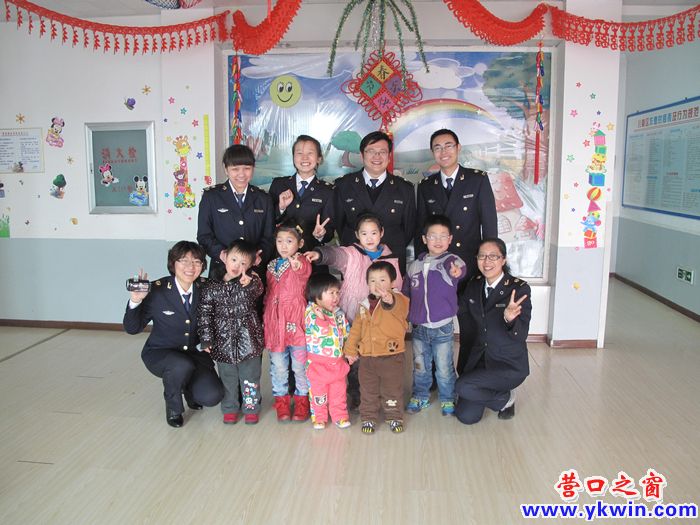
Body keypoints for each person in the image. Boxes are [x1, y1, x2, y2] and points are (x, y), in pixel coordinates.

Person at [416, 129, 498, 374]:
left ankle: (467, 375)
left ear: (458, 148)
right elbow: (421, 230)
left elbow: (489, 226)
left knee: (470, 323)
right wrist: (422, 266)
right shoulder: (426, 185)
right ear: (432, 152)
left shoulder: (477, 180)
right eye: (438, 147)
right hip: (435, 268)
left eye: (448, 145)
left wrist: (489, 265)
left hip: (468, 266)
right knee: (432, 323)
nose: (444, 151)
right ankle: (434, 376)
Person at [305, 213, 402, 410]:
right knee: (352, 358)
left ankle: (374, 396)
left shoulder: (390, 258)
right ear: (357, 235)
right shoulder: (352, 253)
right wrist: (320, 255)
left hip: (377, 321)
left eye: (373, 233)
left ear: (381, 233)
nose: (369, 238)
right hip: (351, 317)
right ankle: (353, 395)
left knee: (373, 360)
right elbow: (336, 255)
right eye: (364, 233)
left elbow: (397, 287)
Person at [123, 241, 224, 428]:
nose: (190, 267)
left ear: (203, 265)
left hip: (194, 354)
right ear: (173, 263)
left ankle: (188, 389)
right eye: (183, 261)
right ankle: (173, 408)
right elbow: (132, 328)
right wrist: (136, 300)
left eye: (196, 262)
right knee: (180, 365)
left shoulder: (207, 288)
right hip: (160, 352)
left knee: (212, 396)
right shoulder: (157, 290)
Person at [454, 238, 531, 425]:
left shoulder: (518, 289)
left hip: (507, 364)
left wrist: (509, 319)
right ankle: (502, 397)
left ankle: (504, 395)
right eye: (482, 256)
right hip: (479, 360)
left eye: (493, 256)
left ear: (503, 260)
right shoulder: (474, 285)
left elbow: (521, 334)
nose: (487, 261)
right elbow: (455, 308)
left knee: (462, 386)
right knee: (467, 417)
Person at [402, 215, 467, 417]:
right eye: (433, 236)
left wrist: (457, 272)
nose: (438, 240)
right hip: (419, 327)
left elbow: (460, 269)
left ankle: (448, 398)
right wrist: (404, 316)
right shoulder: (414, 266)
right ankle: (420, 395)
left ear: (450, 239)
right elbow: (406, 294)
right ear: (424, 239)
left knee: (444, 367)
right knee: (420, 366)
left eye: (443, 236)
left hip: (442, 327)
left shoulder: (451, 261)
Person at [197, 240, 265, 425]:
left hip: (248, 341)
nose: (237, 266)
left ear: (250, 265)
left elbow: (258, 290)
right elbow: (205, 314)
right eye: (234, 260)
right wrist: (206, 339)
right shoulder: (211, 285)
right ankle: (230, 408)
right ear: (225, 257)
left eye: (243, 263)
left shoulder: (250, 281)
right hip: (222, 342)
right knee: (227, 378)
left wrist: (249, 284)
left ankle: (251, 408)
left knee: (250, 377)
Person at [333, 131, 415, 273]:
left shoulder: (404, 189)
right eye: (371, 151)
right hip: (354, 262)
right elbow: (340, 225)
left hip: (390, 262)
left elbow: (409, 229)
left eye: (382, 152)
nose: (377, 156)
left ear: (389, 156)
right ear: (362, 155)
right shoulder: (344, 185)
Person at [344, 261, 410, 434]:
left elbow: (397, 306)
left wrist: (389, 299)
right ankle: (368, 417)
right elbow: (356, 329)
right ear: (367, 284)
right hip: (367, 358)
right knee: (368, 390)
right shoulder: (364, 305)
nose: (377, 284)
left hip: (391, 357)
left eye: (382, 280)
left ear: (393, 282)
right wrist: (350, 350)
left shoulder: (399, 300)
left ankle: (394, 416)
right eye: (372, 280)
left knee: (392, 389)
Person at [197, 144, 275, 280]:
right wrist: (222, 254)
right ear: (226, 169)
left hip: (254, 271)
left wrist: (258, 256)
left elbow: (269, 237)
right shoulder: (211, 197)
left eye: (247, 168)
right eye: (235, 169)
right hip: (221, 271)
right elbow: (204, 235)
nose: (241, 174)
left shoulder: (264, 198)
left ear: (253, 168)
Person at [263, 220, 312, 423]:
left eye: (289, 241)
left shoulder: (302, 261)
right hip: (275, 324)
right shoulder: (271, 266)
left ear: (300, 244)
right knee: (279, 367)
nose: (283, 245)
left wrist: (298, 265)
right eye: (280, 241)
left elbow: (303, 271)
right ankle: (281, 401)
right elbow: (268, 293)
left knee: (300, 367)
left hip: (296, 322)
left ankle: (302, 401)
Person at [268, 135, 335, 273]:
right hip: (281, 260)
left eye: (310, 153)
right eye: (299, 153)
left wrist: (321, 234)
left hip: (312, 260)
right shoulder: (279, 184)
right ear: (293, 157)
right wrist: (281, 207)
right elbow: (268, 222)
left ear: (319, 158)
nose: (304, 158)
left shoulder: (327, 191)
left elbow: (329, 233)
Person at [303, 273, 352, 430]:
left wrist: (350, 350)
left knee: (339, 392)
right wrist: (321, 319)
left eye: (337, 292)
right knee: (319, 394)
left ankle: (340, 415)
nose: (336, 297)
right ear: (317, 295)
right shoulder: (311, 311)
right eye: (331, 293)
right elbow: (317, 329)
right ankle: (319, 417)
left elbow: (346, 333)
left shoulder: (338, 313)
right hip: (318, 365)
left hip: (337, 363)